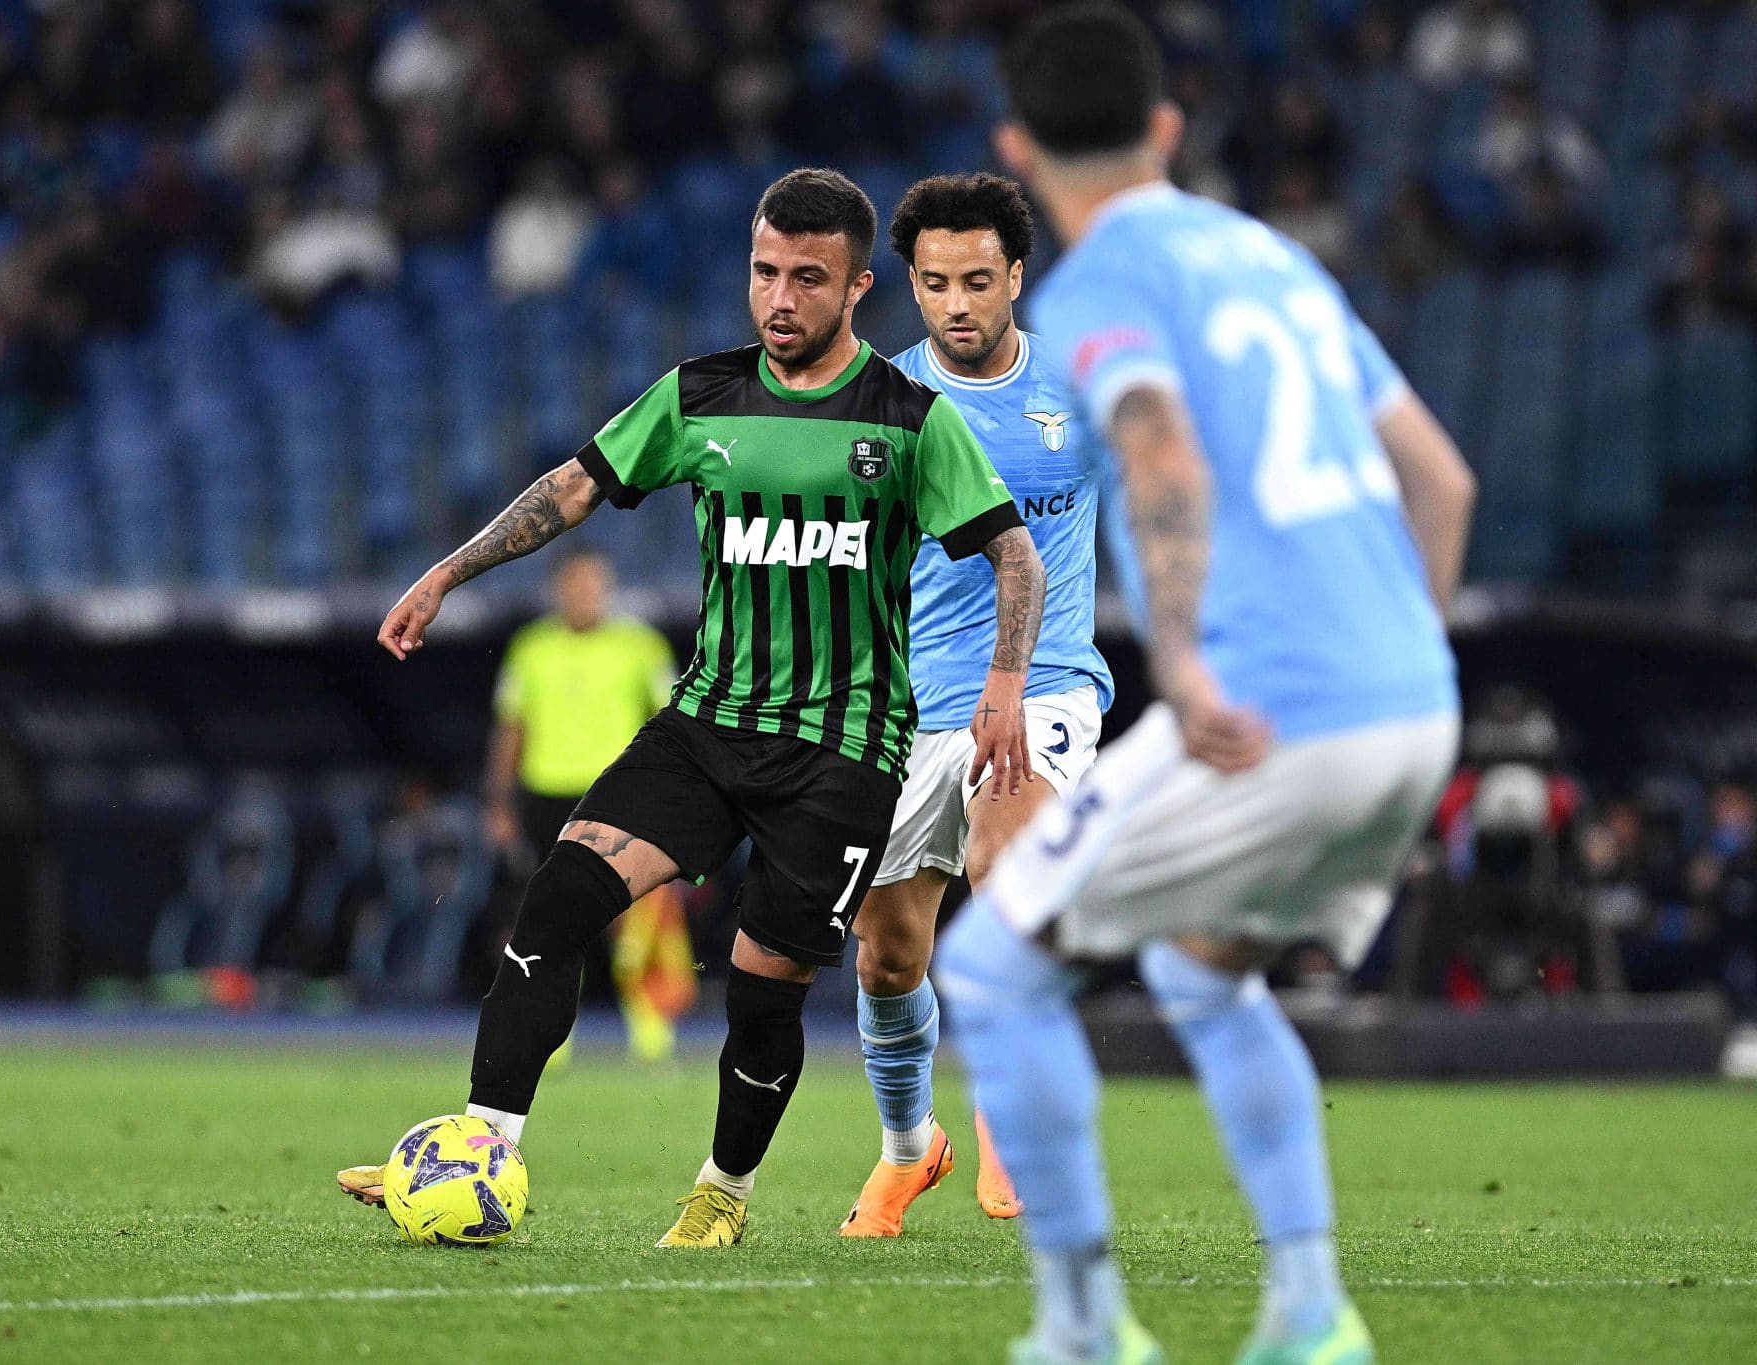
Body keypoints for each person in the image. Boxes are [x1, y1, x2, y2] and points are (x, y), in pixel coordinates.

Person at [339, 168, 1042, 1248]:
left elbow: (1010, 554)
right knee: (555, 905)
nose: (778, 298)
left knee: (762, 987)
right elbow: (573, 487)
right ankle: (482, 1148)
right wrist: (450, 572)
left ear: (857, 287)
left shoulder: (909, 422)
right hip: (708, 725)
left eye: (807, 278)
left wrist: (1001, 686)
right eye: (764, 272)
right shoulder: (698, 394)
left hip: (841, 753)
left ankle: (722, 1192)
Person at [934, 7, 1477, 1363]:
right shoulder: (1279, 260)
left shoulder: (1101, 284)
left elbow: (1160, 447)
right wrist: (1407, 650)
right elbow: (1442, 479)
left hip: (1276, 708)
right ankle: (1307, 1311)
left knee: (993, 972)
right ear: (1167, 127)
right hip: (1416, 699)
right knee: (1201, 968)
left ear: (1017, 146)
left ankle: (1081, 1330)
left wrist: (1177, 664)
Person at [839, 172, 1114, 1237]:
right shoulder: (879, 405)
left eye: (977, 281)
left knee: (1008, 877)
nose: (955, 304)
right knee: (888, 954)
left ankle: (1010, 1117)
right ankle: (910, 1152)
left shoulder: (1079, 395)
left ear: (1015, 277)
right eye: (933, 284)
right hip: (909, 710)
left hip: (1042, 686)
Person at [484, 547, 695, 1062]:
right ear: (559, 589)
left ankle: (650, 1025)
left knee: (637, 914)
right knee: (550, 920)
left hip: (617, 796)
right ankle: (552, 1035)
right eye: (575, 585)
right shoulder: (531, 648)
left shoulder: (640, 646)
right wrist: (500, 804)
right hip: (547, 795)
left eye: (594, 585)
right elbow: (511, 729)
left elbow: (674, 721)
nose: (584, 595)